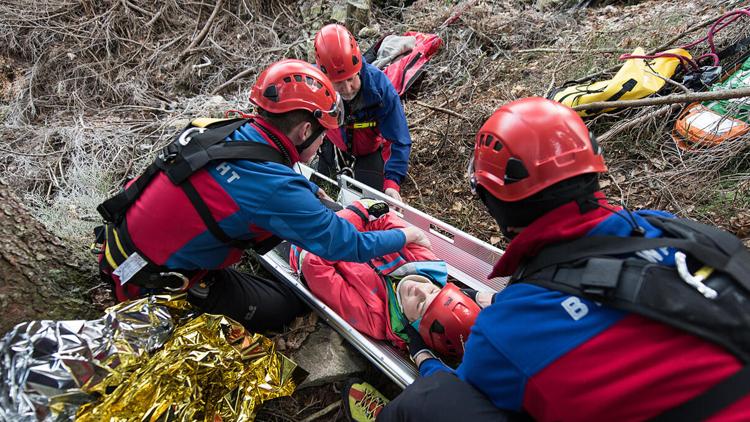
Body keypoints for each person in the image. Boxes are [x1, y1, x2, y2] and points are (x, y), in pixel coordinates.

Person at [342, 97, 750, 421]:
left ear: (492, 203)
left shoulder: (508, 333)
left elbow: (464, 393)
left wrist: (426, 359)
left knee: (429, 400)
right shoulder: (674, 230)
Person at [94, 59, 430, 334]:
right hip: (150, 283)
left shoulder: (224, 128)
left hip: (124, 243)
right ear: (304, 131)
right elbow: (348, 246)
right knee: (288, 307)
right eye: (322, 136)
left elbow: (271, 182)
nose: (321, 146)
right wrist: (405, 236)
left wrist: (323, 201)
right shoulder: (274, 187)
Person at [289, 199, 487, 359]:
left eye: (420, 305)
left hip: (302, 239)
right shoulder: (427, 263)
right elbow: (382, 214)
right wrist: (361, 217)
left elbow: (315, 264)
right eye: (434, 291)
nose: (419, 289)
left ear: (412, 327)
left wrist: (362, 216)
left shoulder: (374, 317)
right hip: (336, 222)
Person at [313, 24, 412, 202]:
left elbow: (399, 139)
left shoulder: (380, 89)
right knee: (322, 196)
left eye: (351, 79)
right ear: (325, 77)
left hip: (368, 151)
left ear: (359, 68)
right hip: (332, 146)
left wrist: (392, 183)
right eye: (338, 83)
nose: (347, 89)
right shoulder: (314, 86)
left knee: (370, 201)